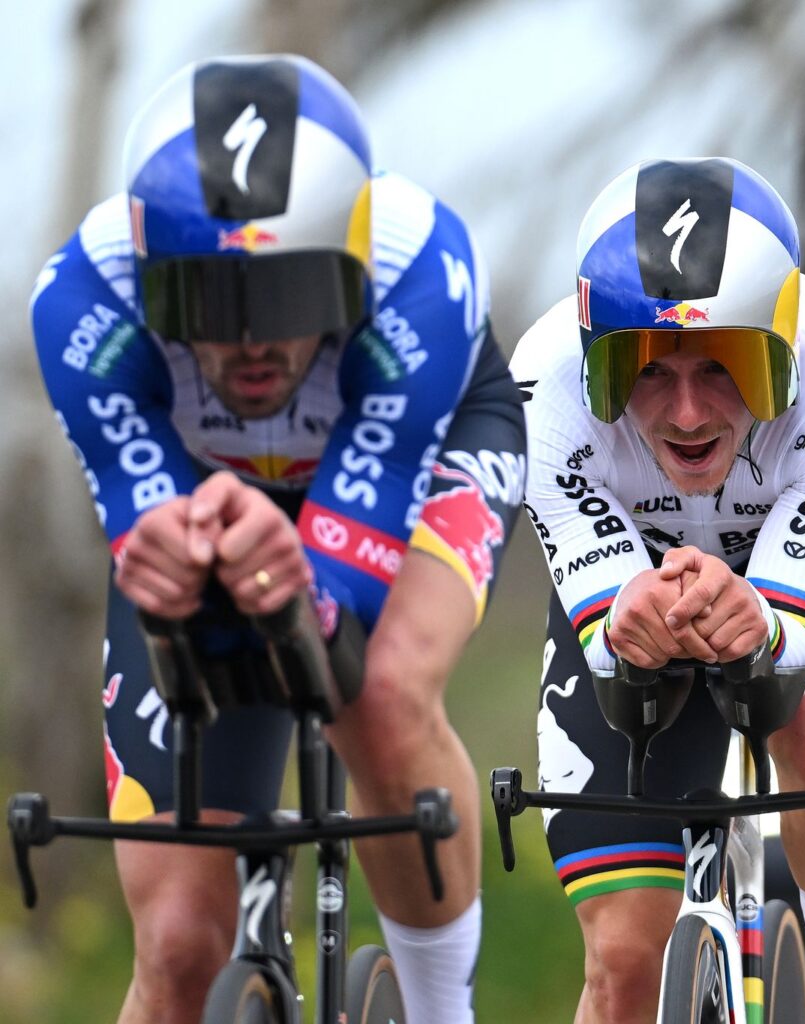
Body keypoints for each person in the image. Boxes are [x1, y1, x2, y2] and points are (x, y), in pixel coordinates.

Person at [28, 56, 521, 1024]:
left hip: (410, 462)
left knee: (377, 691)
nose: (252, 344)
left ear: (351, 254)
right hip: (207, 493)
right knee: (176, 945)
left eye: (292, 295)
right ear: (146, 271)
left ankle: (439, 1009)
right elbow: (153, 534)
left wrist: (300, 578)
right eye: (208, 302)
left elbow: (337, 606)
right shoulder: (82, 300)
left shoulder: (420, 271)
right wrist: (173, 561)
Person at [514, 156, 805, 1024]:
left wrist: (767, 629)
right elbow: (610, 630)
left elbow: (787, 654)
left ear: (781, 348)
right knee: (625, 963)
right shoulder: (542, 392)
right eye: (649, 370)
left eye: (724, 365)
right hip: (637, 556)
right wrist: (623, 619)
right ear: (596, 365)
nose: (691, 414)